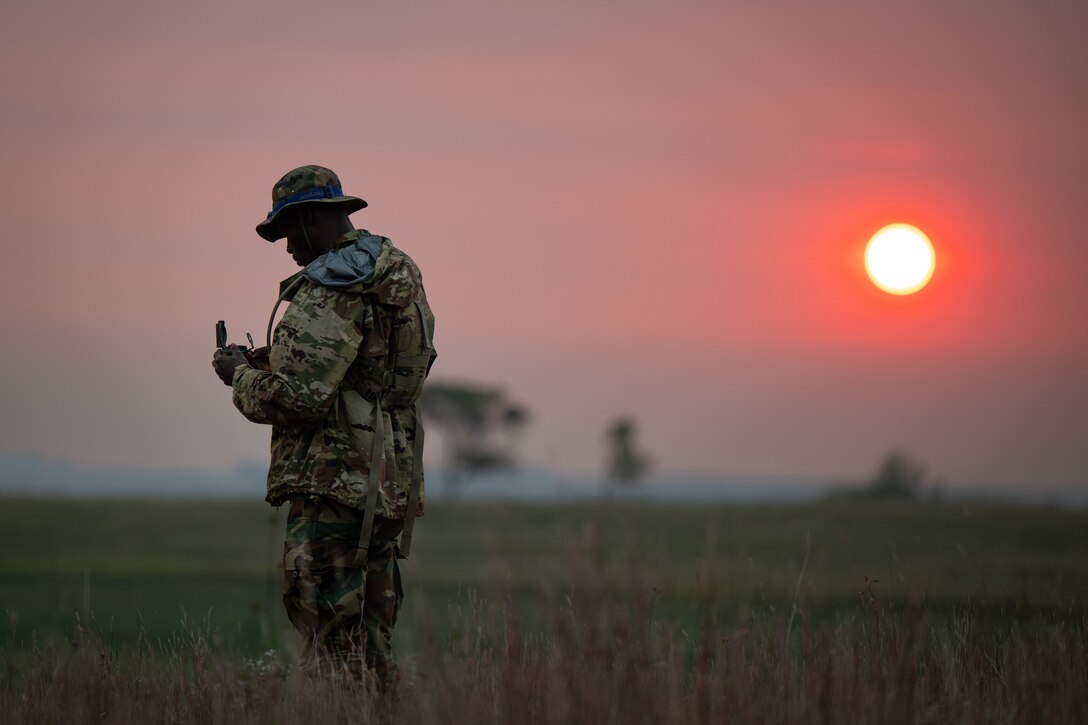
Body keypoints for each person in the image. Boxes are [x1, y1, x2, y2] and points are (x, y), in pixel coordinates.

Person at [211, 165, 436, 687]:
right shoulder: (396, 271)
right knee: (372, 641)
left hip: (334, 484)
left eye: (288, 231)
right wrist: (277, 360)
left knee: (328, 635)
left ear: (311, 218)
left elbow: (299, 401)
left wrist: (238, 375)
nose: (287, 247)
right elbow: (383, 372)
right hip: (387, 486)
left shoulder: (329, 286)